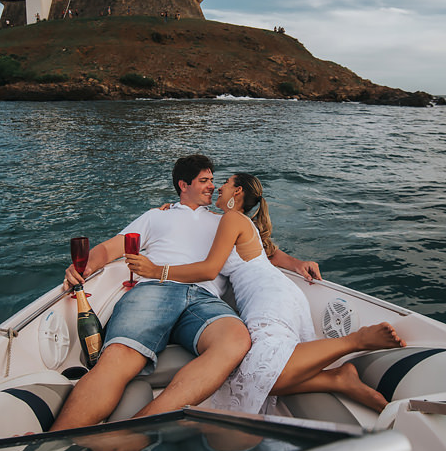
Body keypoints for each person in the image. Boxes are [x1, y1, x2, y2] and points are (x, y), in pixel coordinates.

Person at [127, 173, 406, 414]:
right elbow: (266, 253)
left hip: (266, 296)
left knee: (255, 372)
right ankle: (335, 379)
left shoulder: (231, 219)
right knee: (245, 373)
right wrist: (172, 210)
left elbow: (211, 269)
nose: (218, 187)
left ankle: (356, 341)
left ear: (237, 192)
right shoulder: (232, 221)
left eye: (224, 182)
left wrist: (157, 271)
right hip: (275, 291)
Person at [49, 155, 251, 431]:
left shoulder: (226, 222)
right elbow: (111, 248)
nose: (212, 187)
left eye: (214, 181)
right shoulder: (156, 216)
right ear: (183, 185)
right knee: (118, 357)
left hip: (204, 297)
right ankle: (53, 446)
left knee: (235, 339)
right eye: (204, 181)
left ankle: (136, 430)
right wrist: (83, 267)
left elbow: (261, 252)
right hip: (155, 289)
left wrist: (298, 265)